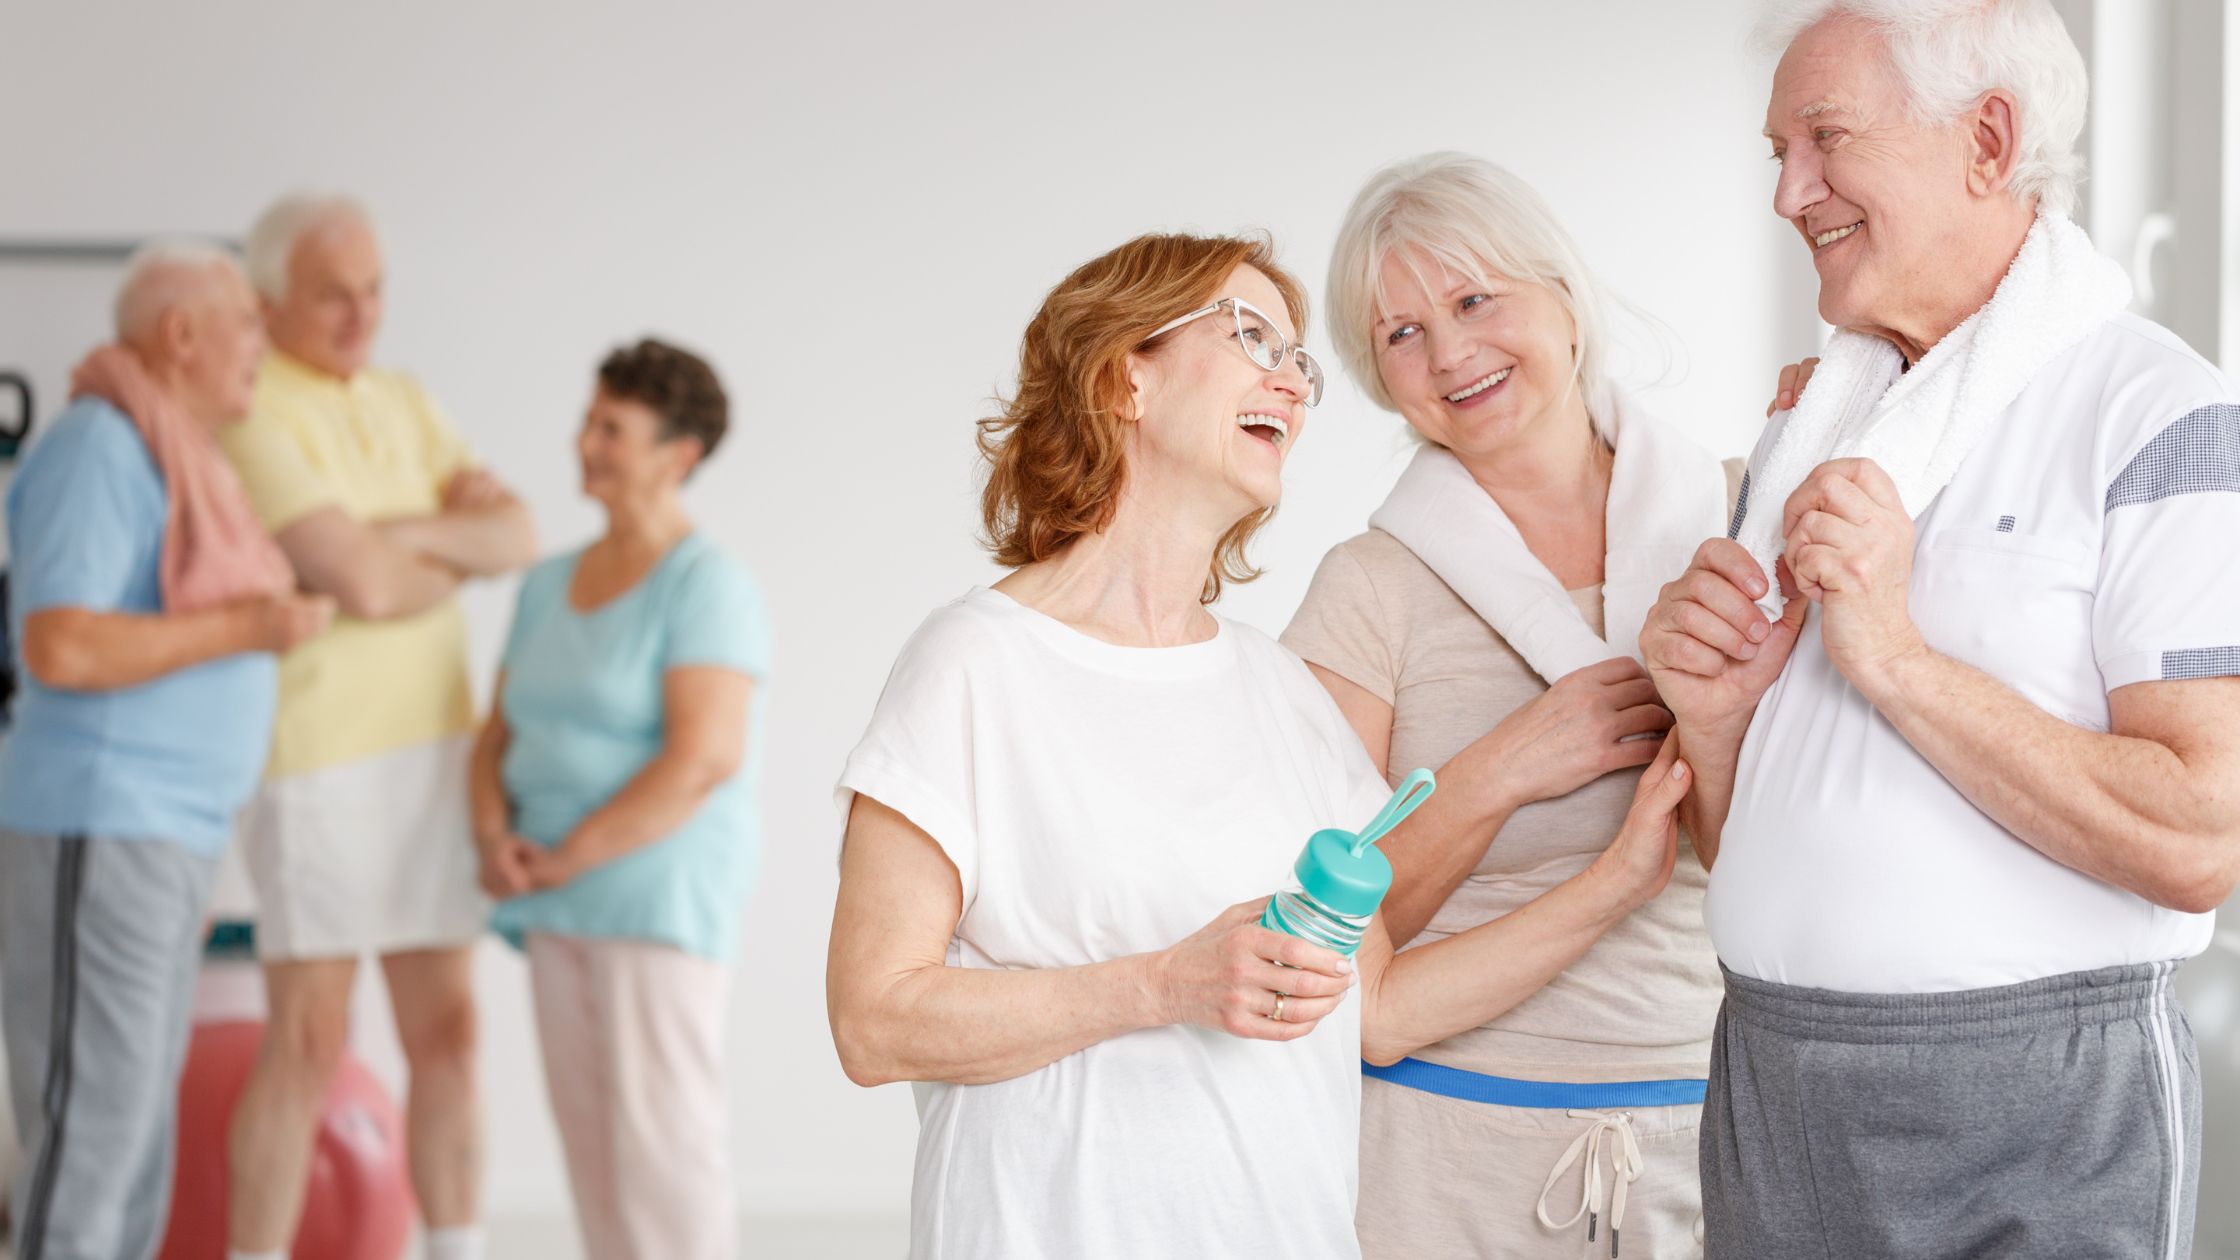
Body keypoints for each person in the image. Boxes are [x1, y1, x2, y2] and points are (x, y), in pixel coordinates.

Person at [826, 231, 1693, 1259]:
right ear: (1122, 379)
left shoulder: (1277, 687)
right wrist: (1159, 986)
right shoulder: (974, 665)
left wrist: (1614, 882)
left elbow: (1371, 1007)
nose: (1287, 379)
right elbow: (873, 1023)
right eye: (1248, 337)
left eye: (1297, 361)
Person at [1641, 2, 2240, 1255]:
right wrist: (1711, 717)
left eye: (1824, 139)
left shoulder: (2157, 414)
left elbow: (2196, 838)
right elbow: (1736, 841)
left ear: (1985, 139)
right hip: (1769, 1078)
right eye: (1776, 153)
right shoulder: (1814, 432)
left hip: (2031, 1104)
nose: (1788, 194)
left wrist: (1895, 659)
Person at [1287, 152, 1737, 1257]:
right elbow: (1321, 935)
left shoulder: (1734, 520)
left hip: (1706, 1144)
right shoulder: (1368, 588)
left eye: (1475, 299)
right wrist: (1503, 767)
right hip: (1442, 1160)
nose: (1448, 354)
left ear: (1564, 299)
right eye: (1399, 334)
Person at [218, 194, 536, 1260]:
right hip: (316, 763)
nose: (361, 316)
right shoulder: (247, 402)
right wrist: (433, 547)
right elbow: (358, 579)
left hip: (437, 753)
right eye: (331, 295)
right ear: (267, 299)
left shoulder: (405, 397)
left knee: (449, 1033)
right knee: (306, 1040)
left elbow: (519, 533)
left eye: (374, 291)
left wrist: (393, 540)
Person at [0, 243, 331, 1260]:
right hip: (101, 823)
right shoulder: (101, 445)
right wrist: (249, 630)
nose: (262, 344)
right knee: (93, 1136)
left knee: (134, 1137)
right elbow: (60, 643)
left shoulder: (166, 451)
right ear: (180, 334)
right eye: (244, 320)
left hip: (156, 835)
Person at [469, 339, 768, 1260]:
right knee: (593, 1151)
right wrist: (494, 837)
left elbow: (702, 758)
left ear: (678, 453)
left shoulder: (705, 583)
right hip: (550, 891)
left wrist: (572, 851)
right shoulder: (546, 583)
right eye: (589, 420)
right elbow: (495, 735)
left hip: (652, 897)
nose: (586, 442)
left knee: (665, 1151)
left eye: (613, 428)